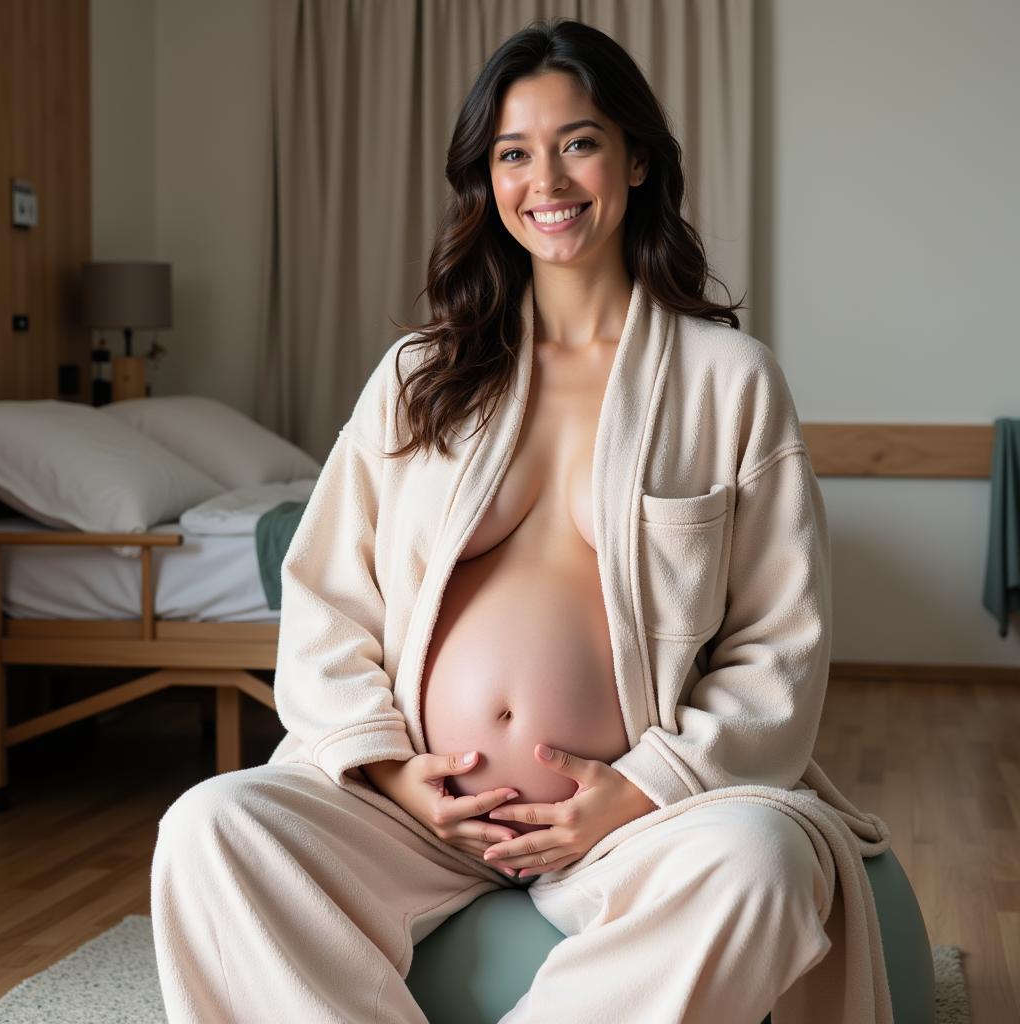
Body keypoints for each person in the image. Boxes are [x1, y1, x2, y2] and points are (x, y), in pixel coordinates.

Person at [151, 17, 894, 1024]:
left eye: (577, 142)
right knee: (209, 825)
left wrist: (635, 791)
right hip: (413, 814)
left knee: (763, 860)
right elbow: (327, 599)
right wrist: (389, 774)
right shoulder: (421, 376)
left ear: (635, 159)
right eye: (512, 153)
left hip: (636, 817)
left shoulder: (730, 382)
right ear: (486, 180)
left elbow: (779, 641)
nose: (545, 179)